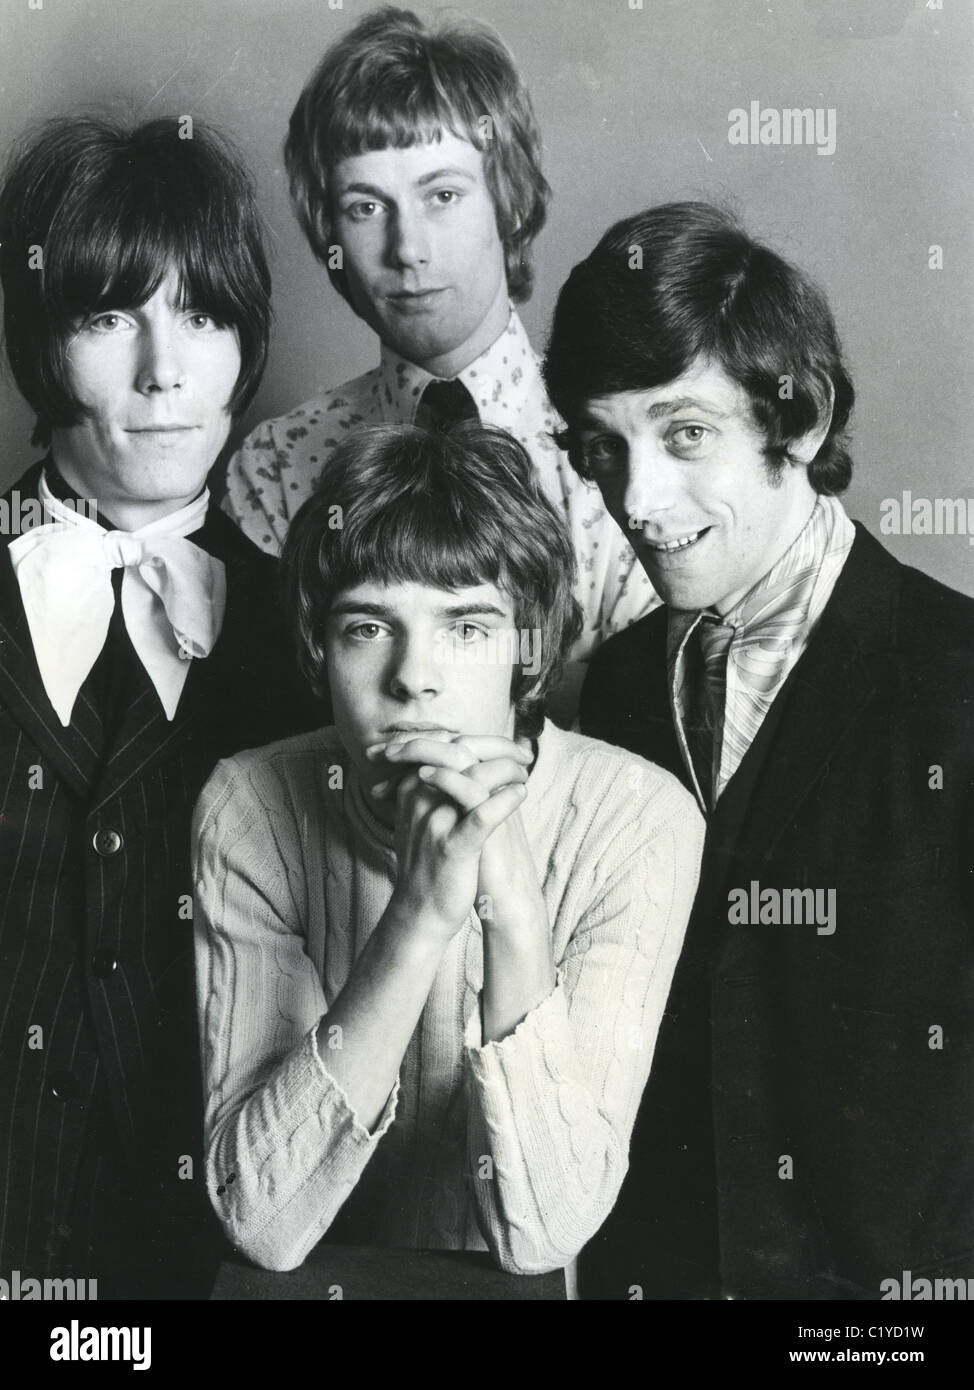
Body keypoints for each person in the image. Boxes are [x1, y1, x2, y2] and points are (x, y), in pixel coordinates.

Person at [543, 201, 974, 1300]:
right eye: (605, 447)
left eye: (684, 433)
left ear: (801, 417)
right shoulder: (621, 684)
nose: (634, 500)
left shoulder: (956, 678)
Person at [193, 421, 703, 1275]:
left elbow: (543, 1233)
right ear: (319, 647)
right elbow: (261, 1220)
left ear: (528, 643)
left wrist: (508, 899)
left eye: (466, 627)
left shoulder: (638, 816)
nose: (413, 678)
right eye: (367, 628)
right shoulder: (248, 805)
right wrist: (423, 913)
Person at [0, 116, 318, 1299]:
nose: (163, 372)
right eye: (107, 317)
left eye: (201, 315)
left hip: (212, 1272)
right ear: (42, 339)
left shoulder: (316, 639)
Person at [222, 5, 655, 722]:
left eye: (443, 195)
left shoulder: (622, 442)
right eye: (365, 208)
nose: (408, 249)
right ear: (328, 229)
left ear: (508, 202)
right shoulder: (276, 466)